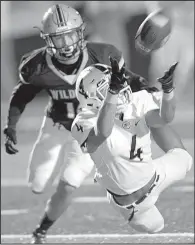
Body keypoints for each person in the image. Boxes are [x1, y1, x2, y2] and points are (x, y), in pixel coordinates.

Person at [3, 4, 178, 243]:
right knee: (37, 183)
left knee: (69, 183)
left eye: (70, 36)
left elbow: (127, 78)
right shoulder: (37, 66)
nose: (66, 44)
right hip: (56, 124)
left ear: (81, 33)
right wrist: (11, 124)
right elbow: (23, 94)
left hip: (87, 128)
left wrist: (146, 86)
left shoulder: (104, 54)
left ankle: (40, 231)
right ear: (47, 40)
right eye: (59, 38)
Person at [71, 58, 193, 233]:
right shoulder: (83, 121)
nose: (119, 91)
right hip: (133, 203)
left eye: (118, 85)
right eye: (108, 89)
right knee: (155, 227)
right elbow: (102, 133)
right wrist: (112, 94)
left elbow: (164, 118)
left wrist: (168, 90)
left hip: (155, 175)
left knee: (185, 159)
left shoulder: (137, 100)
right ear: (91, 99)